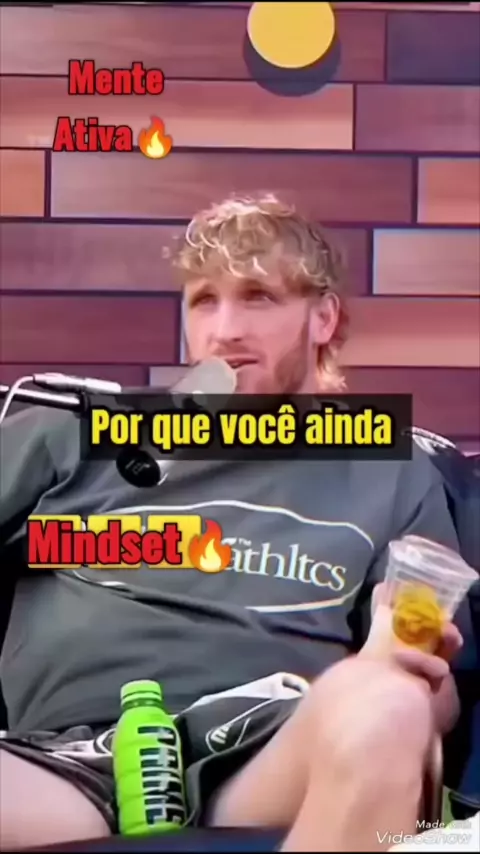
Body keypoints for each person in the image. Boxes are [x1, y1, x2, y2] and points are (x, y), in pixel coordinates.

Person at [0, 194, 468, 850]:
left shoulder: (394, 467)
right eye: (204, 302)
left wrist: (403, 665)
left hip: (264, 762)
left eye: (258, 298)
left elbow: (433, 692)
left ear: (324, 317)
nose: (225, 331)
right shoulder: (75, 431)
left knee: (391, 704)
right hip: (63, 767)